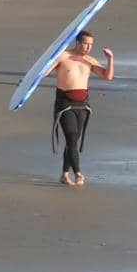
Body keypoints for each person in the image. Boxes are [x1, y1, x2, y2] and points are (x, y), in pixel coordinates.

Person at [46, 30, 114, 187]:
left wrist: (110, 59)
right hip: (64, 103)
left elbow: (107, 76)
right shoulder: (63, 56)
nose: (88, 47)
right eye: (85, 43)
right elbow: (44, 73)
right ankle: (78, 173)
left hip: (82, 104)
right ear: (77, 42)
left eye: (91, 45)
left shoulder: (89, 60)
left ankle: (64, 174)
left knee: (73, 141)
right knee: (71, 137)